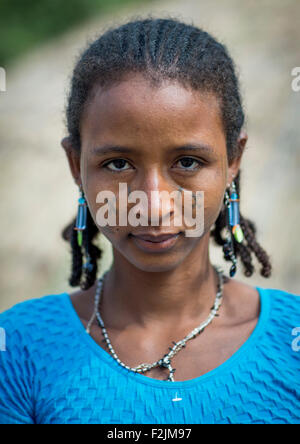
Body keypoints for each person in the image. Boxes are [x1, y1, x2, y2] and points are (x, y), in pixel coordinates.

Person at [0, 17, 299, 425]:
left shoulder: (291, 343)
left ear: (233, 160)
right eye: (118, 163)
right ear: (76, 165)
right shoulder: (18, 348)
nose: (152, 205)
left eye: (188, 162)